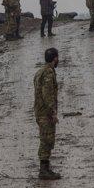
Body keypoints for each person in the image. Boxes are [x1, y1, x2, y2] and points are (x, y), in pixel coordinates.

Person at [34, 47, 61, 180]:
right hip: (45, 113)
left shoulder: (40, 71)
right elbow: (47, 94)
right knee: (46, 140)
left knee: (45, 139)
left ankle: (45, 168)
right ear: (55, 58)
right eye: (57, 57)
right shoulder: (48, 73)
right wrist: (53, 112)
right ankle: (44, 170)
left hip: (40, 111)